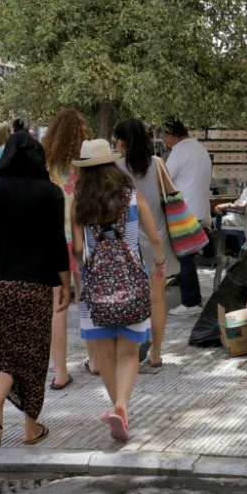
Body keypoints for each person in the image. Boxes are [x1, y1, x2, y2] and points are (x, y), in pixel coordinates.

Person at [0, 131, 71, 447]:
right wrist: (65, 283)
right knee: (32, 356)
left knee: (3, 353)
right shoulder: (50, 193)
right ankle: (30, 427)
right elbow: (56, 244)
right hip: (35, 288)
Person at [72, 139, 166, 441]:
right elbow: (154, 238)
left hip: (95, 285)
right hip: (131, 282)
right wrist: (160, 264)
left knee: (104, 355)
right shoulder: (132, 198)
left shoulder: (80, 203)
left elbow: (76, 249)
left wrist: (79, 273)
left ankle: (117, 407)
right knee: (128, 352)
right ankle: (122, 407)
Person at [114, 118, 180, 371]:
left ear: (121, 142)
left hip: (128, 243)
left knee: (130, 301)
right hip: (158, 241)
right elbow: (173, 196)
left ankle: (130, 354)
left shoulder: (116, 168)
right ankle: (156, 354)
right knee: (157, 300)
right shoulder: (158, 164)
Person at [41, 109, 91, 388]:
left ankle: (60, 373)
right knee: (86, 300)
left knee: (58, 306)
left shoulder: (45, 166)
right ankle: (95, 361)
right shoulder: (84, 166)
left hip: (53, 241)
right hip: (82, 239)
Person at [162, 118, 211, 318]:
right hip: (198, 209)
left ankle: (191, 300)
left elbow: (164, 177)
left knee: (184, 256)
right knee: (184, 255)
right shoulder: (199, 148)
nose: (164, 140)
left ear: (172, 136)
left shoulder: (179, 151)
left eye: (164, 136)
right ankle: (184, 291)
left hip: (184, 210)